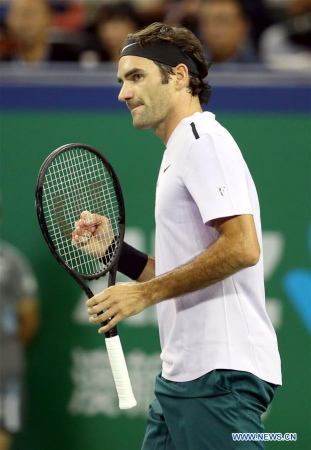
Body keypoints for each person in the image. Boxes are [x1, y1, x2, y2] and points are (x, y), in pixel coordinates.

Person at [72, 22, 282, 450]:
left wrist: (143, 297)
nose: (123, 93)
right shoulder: (180, 151)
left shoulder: (204, 141)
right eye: (121, 81)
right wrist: (116, 254)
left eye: (136, 77)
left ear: (180, 76)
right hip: (180, 380)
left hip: (219, 377)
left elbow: (243, 247)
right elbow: (177, 272)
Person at [0, 239, 40, 450]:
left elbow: (29, 315)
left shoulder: (11, 260)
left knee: (5, 429)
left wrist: (8, 348)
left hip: (6, 364)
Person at [3, 0, 83, 65]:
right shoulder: (3, 61)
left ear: (48, 18)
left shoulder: (70, 60)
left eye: (31, 14)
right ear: (9, 20)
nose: (25, 22)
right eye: (19, 14)